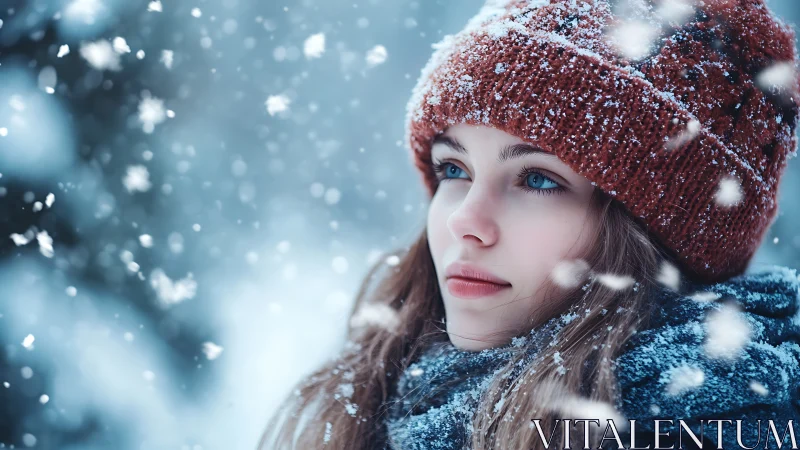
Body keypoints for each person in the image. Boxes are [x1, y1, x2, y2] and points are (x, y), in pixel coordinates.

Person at [258, 0, 800, 448]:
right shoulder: (393, 400)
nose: (467, 221)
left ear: (652, 239)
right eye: (454, 169)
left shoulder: (693, 430)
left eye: (538, 180)